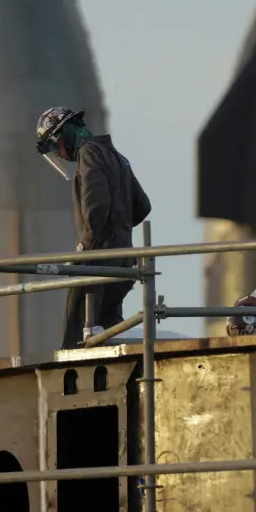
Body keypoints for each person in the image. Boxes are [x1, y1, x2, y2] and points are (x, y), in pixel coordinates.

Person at [35, 106, 152, 348]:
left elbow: (95, 205)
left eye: (54, 145)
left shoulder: (88, 154)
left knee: (79, 330)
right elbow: (142, 205)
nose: (58, 154)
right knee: (110, 329)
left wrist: (85, 247)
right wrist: (119, 229)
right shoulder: (116, 156)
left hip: (98, 258)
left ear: (64, 134)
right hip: (123, 259)